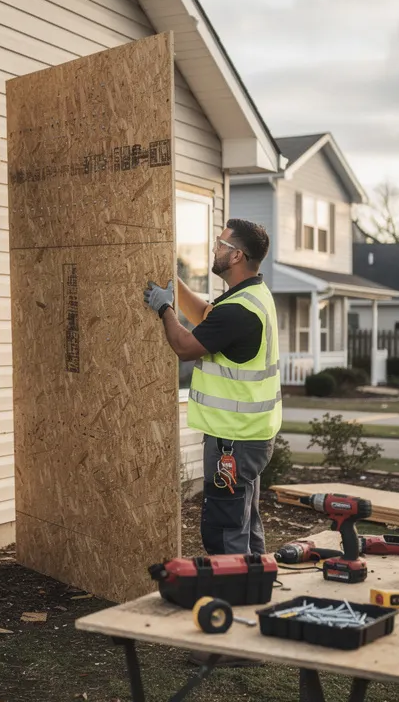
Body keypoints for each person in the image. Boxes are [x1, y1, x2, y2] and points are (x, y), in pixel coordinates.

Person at [145, 218, 280, 556]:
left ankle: (233, 599)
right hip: (249, 435)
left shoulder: (239, 311)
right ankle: (255, 589)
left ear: (237, 256)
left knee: (224, 532)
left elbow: (186, 347)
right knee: (244, 523)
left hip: (233, 441)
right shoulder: (252, 296)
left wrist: (164, 308)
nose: (214, 249)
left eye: (221, 244)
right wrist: (174, 284)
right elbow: (207, 315)